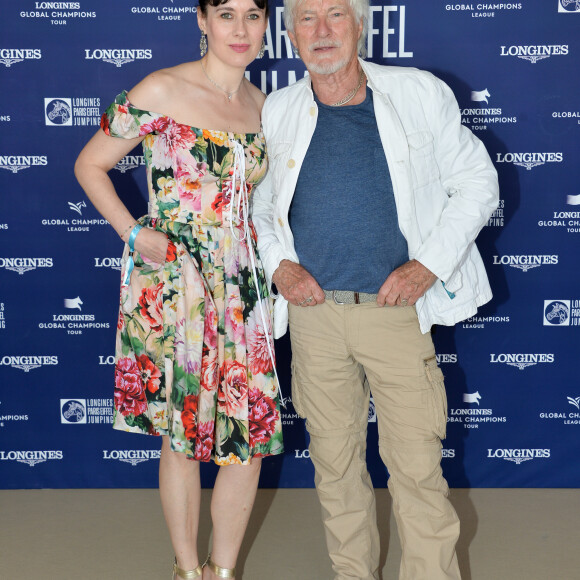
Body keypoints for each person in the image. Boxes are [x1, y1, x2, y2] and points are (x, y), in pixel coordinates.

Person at [251, 0, 499, 578]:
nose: (321, 31)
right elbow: (261, 206)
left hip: (395, 313)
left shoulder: (416, 92)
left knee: (416, 471)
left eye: (335, 15)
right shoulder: (279, 109)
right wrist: (279, 265)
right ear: (290, 34)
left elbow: (478, 183)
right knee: (336, 470)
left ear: (361, 26)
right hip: (313, 318)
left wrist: (428, 267)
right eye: (306, 18)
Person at [75, 0, 283, 577]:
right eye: (225, 14)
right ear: (201, 19)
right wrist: (134, 233)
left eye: (252, 14)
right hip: (175, 284)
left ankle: (223, 571)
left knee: (249, 433)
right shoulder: (160, 91)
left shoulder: (265, 107)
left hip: (242, 287)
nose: (240, 30)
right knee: (184, 434)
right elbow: (90, 165)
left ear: (267, 23)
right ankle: (188, 569)